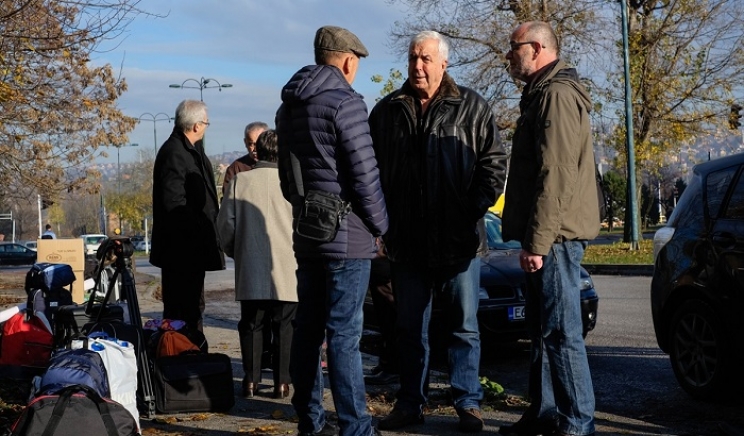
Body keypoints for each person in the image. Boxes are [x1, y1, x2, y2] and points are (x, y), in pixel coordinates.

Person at [368, 30, 507, 433]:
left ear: (444, 63)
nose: (417, 65)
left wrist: (467, 211)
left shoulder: (472, 107)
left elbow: (494, 165)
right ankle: (411, 404)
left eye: (426, 58)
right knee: (410, 329)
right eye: (413, 58)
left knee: (464, 327)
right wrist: (381, 224)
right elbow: (370, 172)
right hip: (407, 242)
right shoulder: (387, 111)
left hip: (459, 240)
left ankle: (468, 403)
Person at [276, 25, 388, 436]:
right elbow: (364, 174)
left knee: (308, 330)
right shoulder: (346, 103)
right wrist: (381, 226)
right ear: (347, 60)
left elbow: (289, 179)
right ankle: (356, 427)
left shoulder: (287, 106)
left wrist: (305, 210)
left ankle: (310, 421)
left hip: (308, 231)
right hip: (348, 235)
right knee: (344, 336)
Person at [499, 21, 600, 436]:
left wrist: (537, 242)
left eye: (514, 48)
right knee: (542, 333)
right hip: (546, 237)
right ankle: (543, 414)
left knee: (561, 333)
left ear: (537, 48)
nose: (508, 55)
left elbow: (555, 177)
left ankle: (577, 423)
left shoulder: (555, 96)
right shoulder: (541, 94)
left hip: (555, 239)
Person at [217, 129, 298, 400]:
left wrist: (236, 251)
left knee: (251, 324)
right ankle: (282, 382)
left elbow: (225, 224)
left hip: (251, 262)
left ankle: (250, 381)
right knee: (285, 325)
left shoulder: (241, 181)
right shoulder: (292, 181)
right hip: (287, 265)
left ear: (258, 151)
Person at [150, 99, 225, 333]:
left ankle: (193, 354)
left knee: (193, 308)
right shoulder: (175, 153)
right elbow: (174, 205)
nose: (206, 127)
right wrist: (199, 228)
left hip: (191, 251)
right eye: (206, 123)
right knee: (182, 311)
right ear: (196, 126)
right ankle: (183, 357)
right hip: (182, 252)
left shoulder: (190, 151)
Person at [221, 121, 269, 197]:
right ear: (245, 142)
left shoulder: (279, 164)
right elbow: (228, 198)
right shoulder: (236, 168)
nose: (255, 149)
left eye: (259, 144)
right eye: (251, 144)